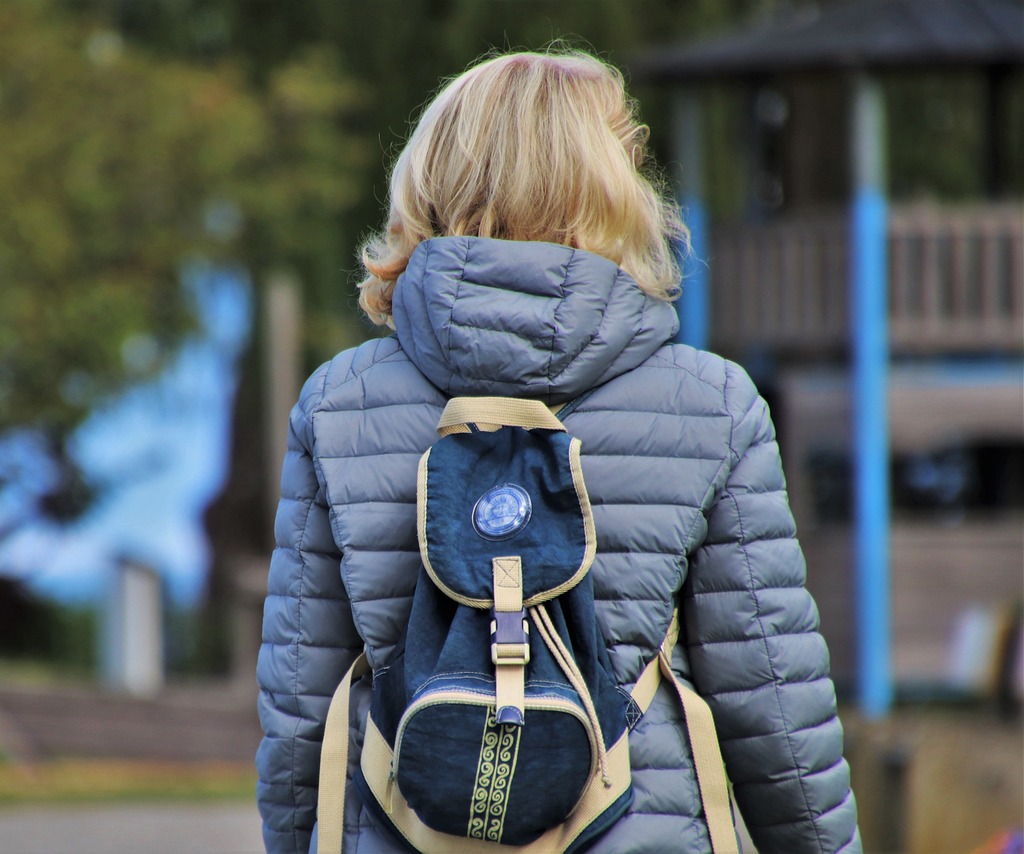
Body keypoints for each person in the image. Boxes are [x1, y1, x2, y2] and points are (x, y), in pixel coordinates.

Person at [256, 49, 861, 854]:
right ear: (611, 186)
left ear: (430, 178)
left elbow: (301, 710)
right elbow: (774, 704)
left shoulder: (340, 404)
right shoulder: (712, 404)